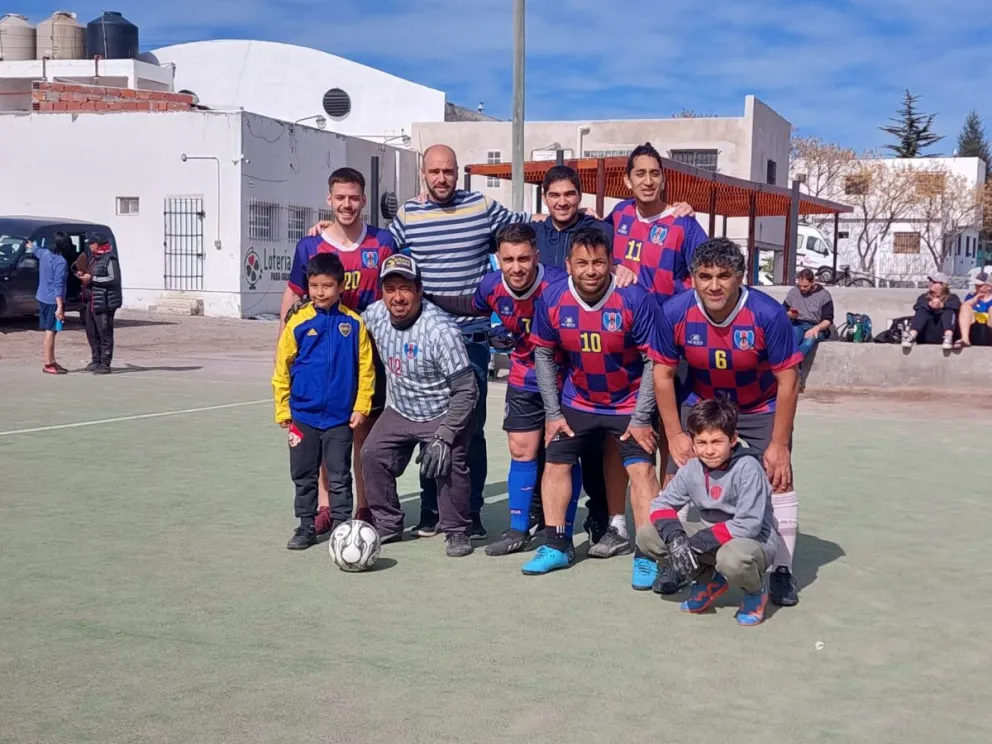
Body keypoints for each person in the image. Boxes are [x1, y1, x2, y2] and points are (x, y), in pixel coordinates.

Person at [651, 237, 803, 607]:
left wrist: (779, 444)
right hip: (702, 404)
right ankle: (677, 561)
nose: (714, 285)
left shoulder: (768, 315)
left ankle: (781, 569)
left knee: (778, 478)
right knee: (678, 470)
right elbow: (662, 374)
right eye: (705, 276)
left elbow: (789, 381)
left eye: (724, 275)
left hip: (758, 405)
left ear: (741, 278)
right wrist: (673, 434)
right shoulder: (675, 312)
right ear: (692, 279)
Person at [424, 223, 581, 557]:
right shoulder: (492, 285)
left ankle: (562, 532)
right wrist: (426, 296)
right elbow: (471, 305)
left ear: (536, 256)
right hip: (524, 378)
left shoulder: (558, 285)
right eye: (508, 259)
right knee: (521, 450)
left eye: (524, 258)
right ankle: (517, 529)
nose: (516, 267)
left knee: (561, 457)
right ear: (498, 259)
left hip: (565, 381)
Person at [528, 227, 661, 587]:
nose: (591, 270)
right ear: (568, 264)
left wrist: (642, 417)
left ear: (611, 263)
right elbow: (542, 352)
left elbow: (655, 360)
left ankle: (649, 552)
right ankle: (557, 544)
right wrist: (553, 414)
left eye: (599, 262)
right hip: (578, 400)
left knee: (642, 471)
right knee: (555, 461)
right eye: (582, 263)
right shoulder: (553, 298)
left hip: (630, 401)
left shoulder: (634, 299)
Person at [279, 167, 396, 533]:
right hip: (317, 356)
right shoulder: (310, 245)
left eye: (354, 197)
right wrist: (282, 344)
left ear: (363, 200)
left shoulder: (384, 243)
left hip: (364, 355)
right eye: (340, 198)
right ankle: (326, 507)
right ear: (329, 200)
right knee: (318, 430)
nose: (347, 204)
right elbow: (294, 295)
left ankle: (364, 506)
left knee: (359, 432)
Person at [360, 254, 479, 557]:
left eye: (405, 288)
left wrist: (446, 435)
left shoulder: (441, 330)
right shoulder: (374, 315)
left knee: (449, 460)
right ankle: (388, 523)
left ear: (419, 290)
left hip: (442, 411)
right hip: (399, 409)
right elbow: (347, 323)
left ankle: (456, 530)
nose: (397, 297)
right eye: (390, 289)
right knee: (372, 454)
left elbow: (466, 390)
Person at [636, 398, 777, 627]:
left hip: (751, 541)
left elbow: (748, 525)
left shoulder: (748, 468)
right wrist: (676, 537)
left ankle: (755, 591)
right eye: (701, 442)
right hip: (712, 536)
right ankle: (709, 580)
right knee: (648, 536)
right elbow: (661, 505)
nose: (709, 451)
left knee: (732, 559)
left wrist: (696, 542)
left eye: (716, 442)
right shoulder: (692, 468)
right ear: (692, 442)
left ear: (732, 439)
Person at [272, 252, 374, 550]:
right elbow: (282, 367)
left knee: (340, 475)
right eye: (314, 285)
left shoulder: (353, 324)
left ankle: (343, 529)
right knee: (304, 475)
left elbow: (366, 370)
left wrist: (361, 406)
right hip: (302, 416)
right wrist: (283, 409)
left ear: (341, 287)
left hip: (339, 419)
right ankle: (306, 525)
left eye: (327, 285)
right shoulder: (298, 323)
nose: (320, 292)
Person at [606, 143, 710, 299]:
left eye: (654, 174)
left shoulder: (683, 223)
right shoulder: (621, 211)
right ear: (628, 181)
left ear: (663, 181)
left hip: (664, 319)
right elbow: (595, 246)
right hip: (624, 317)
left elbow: (710, 272)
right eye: (640, 174)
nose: (648, 181)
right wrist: (582, 213)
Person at [77, 232, 122, 374]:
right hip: (92, 301)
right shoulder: (94, 259)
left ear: (98, 244)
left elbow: (113, 279)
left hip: (104, 302)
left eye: (92, 243)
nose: (90, 245)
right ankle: (95, 360)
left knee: (104, 332)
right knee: (91, 332)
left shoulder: (110, 259)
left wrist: (92, 279)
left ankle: (105, 363)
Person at [33, 232, 70, 375]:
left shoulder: (44, 254)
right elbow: (58, 285)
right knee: (50, 331)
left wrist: (30, 244)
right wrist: (60, 307)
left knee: (52, 331)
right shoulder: (61, 262)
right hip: (52, 300)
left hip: (42, 297)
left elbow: (35, 249)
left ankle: (52, 361)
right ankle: (48, 363)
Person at [902, 273, 961, 351]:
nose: (930, 283)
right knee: (922, 310)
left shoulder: (952, 297)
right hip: (926, 333)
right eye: (930, 281)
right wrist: (929, 304)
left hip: (942, 331)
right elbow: (916, 306)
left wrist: (942, 305)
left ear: (943, 285)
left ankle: (948, 337)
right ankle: (912, 335)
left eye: (933, 282)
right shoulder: (924, 297)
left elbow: (956, 305)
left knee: (949, 310)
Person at [959, 271, 992, 347]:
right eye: (976, 285)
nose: (976, 287)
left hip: (989, 328)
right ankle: (965, 339)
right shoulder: (970, 296)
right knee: (965, 307)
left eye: (980, 286)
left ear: (989, 286)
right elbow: (963, 309)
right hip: (974, 328)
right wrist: (974, 300)